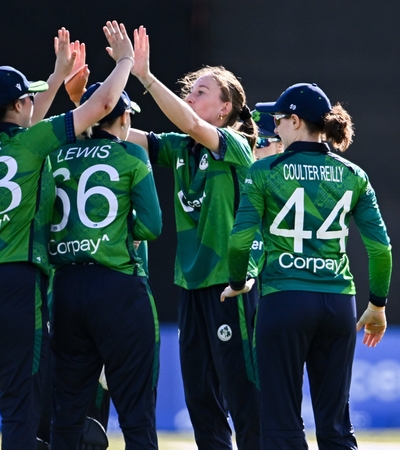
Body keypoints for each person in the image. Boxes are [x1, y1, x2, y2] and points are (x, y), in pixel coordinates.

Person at [0, 22, 135, 450]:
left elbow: (31, 116)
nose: (36, 102)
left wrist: (54, 76)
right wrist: (125, 60)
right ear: (17, 105)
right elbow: (104, 102)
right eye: (29, 97)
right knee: (21, 406)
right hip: (13, 283)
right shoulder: (32, 143)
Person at [221, 83, 393, 450]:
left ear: (296, 121)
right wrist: (377, 305)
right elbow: (380, 249)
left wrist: (238, 280)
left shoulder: (265, 171)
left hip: (284, 301)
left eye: (280, 120)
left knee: (282, 426)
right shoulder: (353, 175)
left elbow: (239, 240)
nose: (275, 128)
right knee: (335, 428)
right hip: (337, 304)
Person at [125, 26, 261, 450]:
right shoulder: (181, 147)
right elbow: (120, 134)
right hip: (192, 286)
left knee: (243, 395)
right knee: (200, 397)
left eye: (201, 92)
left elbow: (186, 120)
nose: (191, 97)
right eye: (191, 90)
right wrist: (84, 103)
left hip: (231, 284)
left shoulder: (234, 144)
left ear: (224, 110)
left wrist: (144, 76)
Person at [47, 79, 162, 450]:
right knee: (136, 413)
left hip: (65, 287)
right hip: (118, 288)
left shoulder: (57, 156)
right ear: (125, 116)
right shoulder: (131, 155)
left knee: (67, 414)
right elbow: (151, 226)